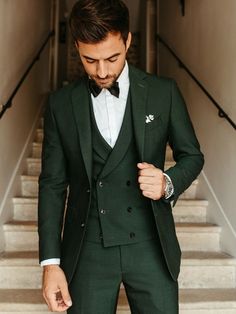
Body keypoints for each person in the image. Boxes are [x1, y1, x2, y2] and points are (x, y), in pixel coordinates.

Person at [38, 0, 204, 313]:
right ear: (76, 47)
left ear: (128, 41)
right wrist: (50, 264)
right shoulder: (61, 104)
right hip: (88, 250)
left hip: (150, 246)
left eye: (112, 58)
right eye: (90, 60)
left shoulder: (163, 92)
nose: (102, 71)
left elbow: (192, 156)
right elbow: (52, 185)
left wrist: (168, 182)